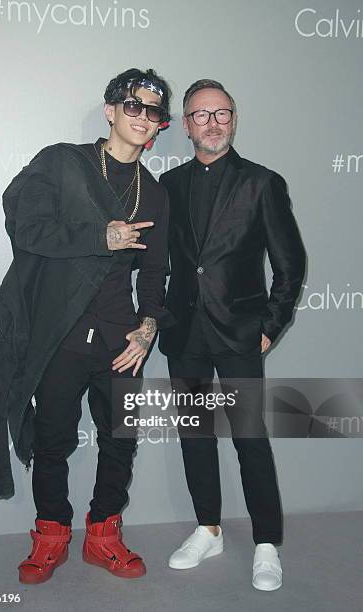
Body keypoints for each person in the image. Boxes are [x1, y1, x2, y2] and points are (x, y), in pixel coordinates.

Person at [0, 68, 174, 583]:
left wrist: (148, 326)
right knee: (52, 439)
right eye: (132, 106)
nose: (142, 118)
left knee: (120, 439)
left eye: (153, 112)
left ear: (161, 126)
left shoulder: (154, 193)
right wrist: (100, 235)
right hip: (62, 330)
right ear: (111, 110)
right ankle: (50, 534)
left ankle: (104, 535)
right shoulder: (61, 163)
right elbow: (24, 225)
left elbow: (157, 270)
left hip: (122, 336)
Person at [159, 79, 306, 591]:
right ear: (186, 125)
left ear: (234, 118)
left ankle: (266, 541)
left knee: (248, 436)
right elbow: (163, 263)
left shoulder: (262, 183)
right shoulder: (169, 186)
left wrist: (270, 326)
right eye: (201, 115)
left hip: (241, 333)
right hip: (185, 334)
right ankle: (209, 528)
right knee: (196, 435)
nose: (213, 122)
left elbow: (291, 265)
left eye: (222, 113)